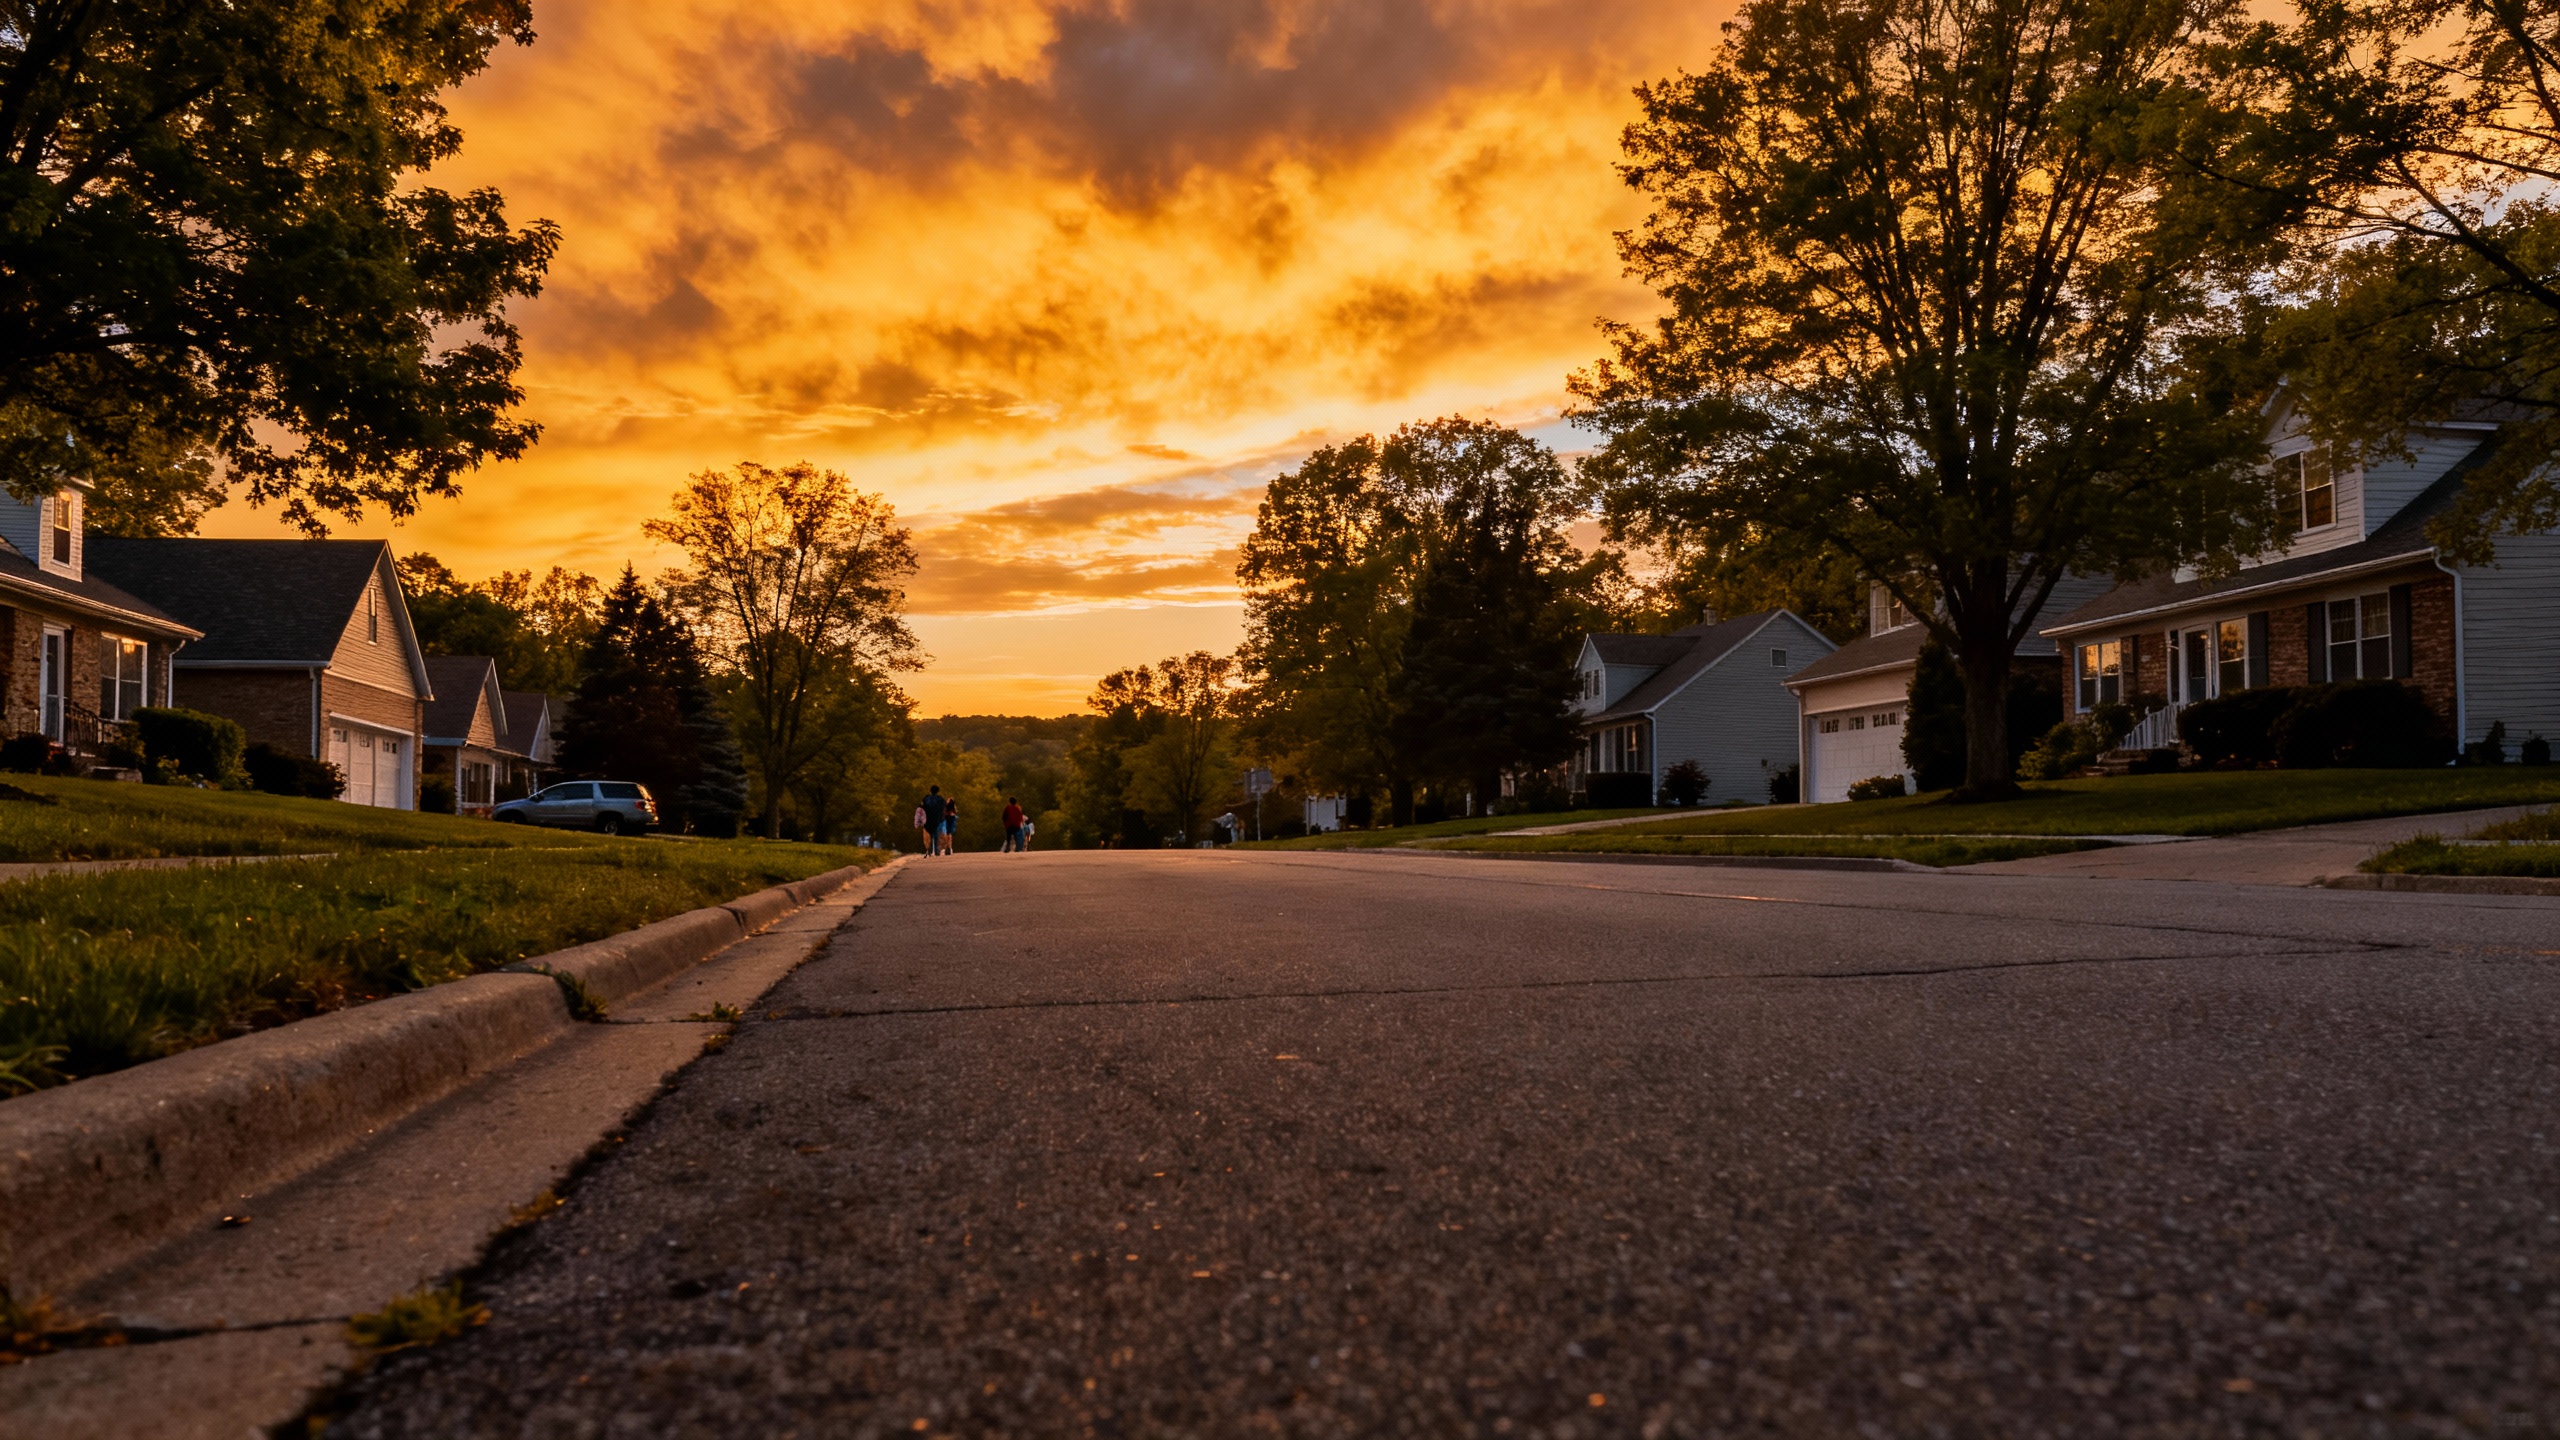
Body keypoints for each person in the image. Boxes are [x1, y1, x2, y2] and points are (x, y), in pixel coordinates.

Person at [919, 785, 947, 856]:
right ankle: (937, 850)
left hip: (928, 818)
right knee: (936, 834)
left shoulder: (926, 798)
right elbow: (944, 808)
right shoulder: (940, 799)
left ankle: (930, 849)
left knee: (929, 834)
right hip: (937, 818)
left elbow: (922, 807)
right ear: (938, 791)